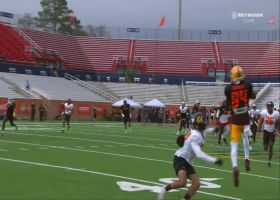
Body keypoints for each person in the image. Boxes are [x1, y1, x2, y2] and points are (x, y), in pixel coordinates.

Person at [158, 112, 223, 200]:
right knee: (182, 182)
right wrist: (214, 160)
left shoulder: (199, 131)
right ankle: (164, 189)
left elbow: (207, 131)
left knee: (196, 184)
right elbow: (199, 154)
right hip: (180, 158)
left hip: (188, 161)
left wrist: (215, 129)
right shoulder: (195, 136)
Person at [225, 65, 256, 187]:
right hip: (245, 117)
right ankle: (247, 159)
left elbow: (228, 105)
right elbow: (252, 95)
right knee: (246, 139)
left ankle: (235, 166)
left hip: (235, 118)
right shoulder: (248, 85)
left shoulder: (228, 88)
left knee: (234, 146)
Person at [258, 101, 280, 167]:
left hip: (272, 132)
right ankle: (265, 144)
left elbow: (278, 123)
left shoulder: (276, 114)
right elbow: (261, 122)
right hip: (265, 131)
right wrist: (258, 130)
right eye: (267, 106)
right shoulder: (264, 112)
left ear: (272, 107)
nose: (269, 107)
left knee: (270, 146)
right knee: (265, 148)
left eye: (270, 106)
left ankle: (269, 161)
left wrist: (277, 130)